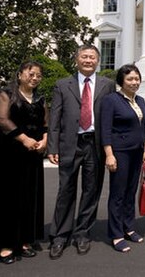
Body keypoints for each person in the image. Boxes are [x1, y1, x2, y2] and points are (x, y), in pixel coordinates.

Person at [47, 44, 115, 259]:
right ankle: (60, 235)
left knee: (91, 190)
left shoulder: (108, 85)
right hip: (70, 143)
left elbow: (111, 118)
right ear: (76, 60)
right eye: (84, 57)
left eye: (92, 57)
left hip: (94, 144)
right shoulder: (62, 85)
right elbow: (54, 119)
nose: (88, 60)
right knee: (65, 190)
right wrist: (53, 146)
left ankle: (82, 232)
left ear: (98, 60)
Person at [0, 61, 48, 264]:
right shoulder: (6, 94)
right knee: (8, 197)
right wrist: (24, 138)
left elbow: (45, 123)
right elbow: (2, 120)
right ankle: (6, 245)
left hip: (32, 154)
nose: (34, 78)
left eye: (38, 75)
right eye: (31, 74)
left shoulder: (40, 98)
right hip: (9, 154)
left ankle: (24, 240)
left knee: (29, 196)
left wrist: (44, 140)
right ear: (19, 74)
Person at [101, 64, 145, 253]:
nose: (134, 82)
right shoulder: (111, 100)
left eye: (137, 78)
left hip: (137, 152)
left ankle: (128, 227)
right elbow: (106, 129)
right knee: (118, 194)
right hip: (120, 152)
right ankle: (116, 234)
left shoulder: (141, 100)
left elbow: (144, 127)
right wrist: (109, 154)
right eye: (130, 79)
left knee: (130, 191)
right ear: (121, 80)